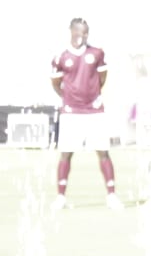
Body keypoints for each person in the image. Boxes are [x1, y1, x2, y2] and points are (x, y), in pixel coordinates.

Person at [51, 18, 122, 210]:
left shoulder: (97, 53)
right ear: (72, 32)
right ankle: (60, 197)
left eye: (86, 32)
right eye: (79, 32)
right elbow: (56, 83)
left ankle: (111, 195)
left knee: (103, 152)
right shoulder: (61, 57)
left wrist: (92, 95)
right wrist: (68, 98)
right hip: (71, 112)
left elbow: (102, 78)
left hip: (94, 111)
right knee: (66, 153)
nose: (82, 36)